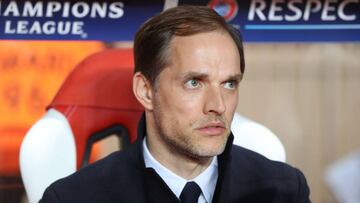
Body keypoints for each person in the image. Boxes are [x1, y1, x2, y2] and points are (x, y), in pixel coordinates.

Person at [40, 5, 310, 203]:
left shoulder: (284, 191)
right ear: (145, 91)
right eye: (194, 82)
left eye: (229, 84)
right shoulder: (74, 198)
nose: (218, 105)